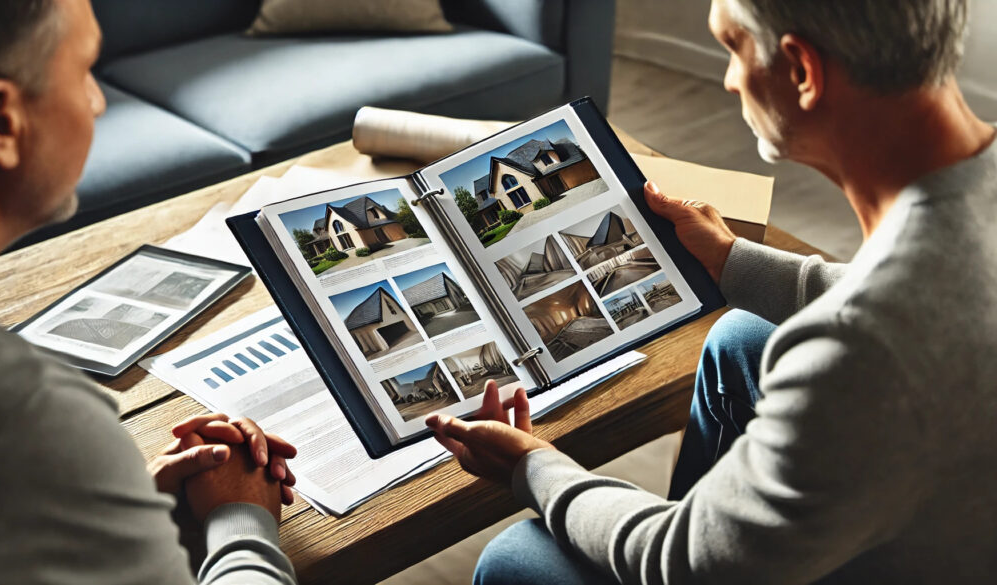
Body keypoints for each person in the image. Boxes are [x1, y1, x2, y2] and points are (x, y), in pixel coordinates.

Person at [427, 0, 997, 582]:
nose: (728, 79)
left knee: (516, 558)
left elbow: (679, 561)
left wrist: (533, 464)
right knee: (740, 337)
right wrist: (729, 259)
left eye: (731, 46)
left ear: (802, 71)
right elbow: (919, 297)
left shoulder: (857, 353)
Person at [0, 1, 301, 583]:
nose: (98, 100)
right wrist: (243, 522)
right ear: (2, 122)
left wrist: (107, 503)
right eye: (83, 70)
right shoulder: (27, 417)